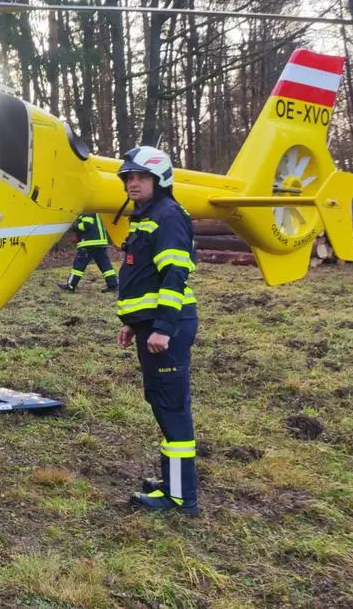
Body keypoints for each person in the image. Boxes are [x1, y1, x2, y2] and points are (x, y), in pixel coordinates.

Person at [114, 146, 200, 515]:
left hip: (169, 327)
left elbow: (174, 275)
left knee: (171, 406)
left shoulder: (167, 215)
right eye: (129, 177)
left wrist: (162, 326)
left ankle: (181, 497)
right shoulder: (149, 216)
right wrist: (135, 325)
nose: (133, 183)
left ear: (159, 179)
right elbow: (145, 275)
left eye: (141, 177)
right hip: (153, 326)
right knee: (162, 403)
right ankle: (173, 482)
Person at [57, 213, 118, 292]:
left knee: (78, 266)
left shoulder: (88, 212)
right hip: (100, 244)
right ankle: (113, 285)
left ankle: (70, 285)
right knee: (105, 266)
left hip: (88, 244)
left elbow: (86, 225)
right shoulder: (98, 213)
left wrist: (74, 226)